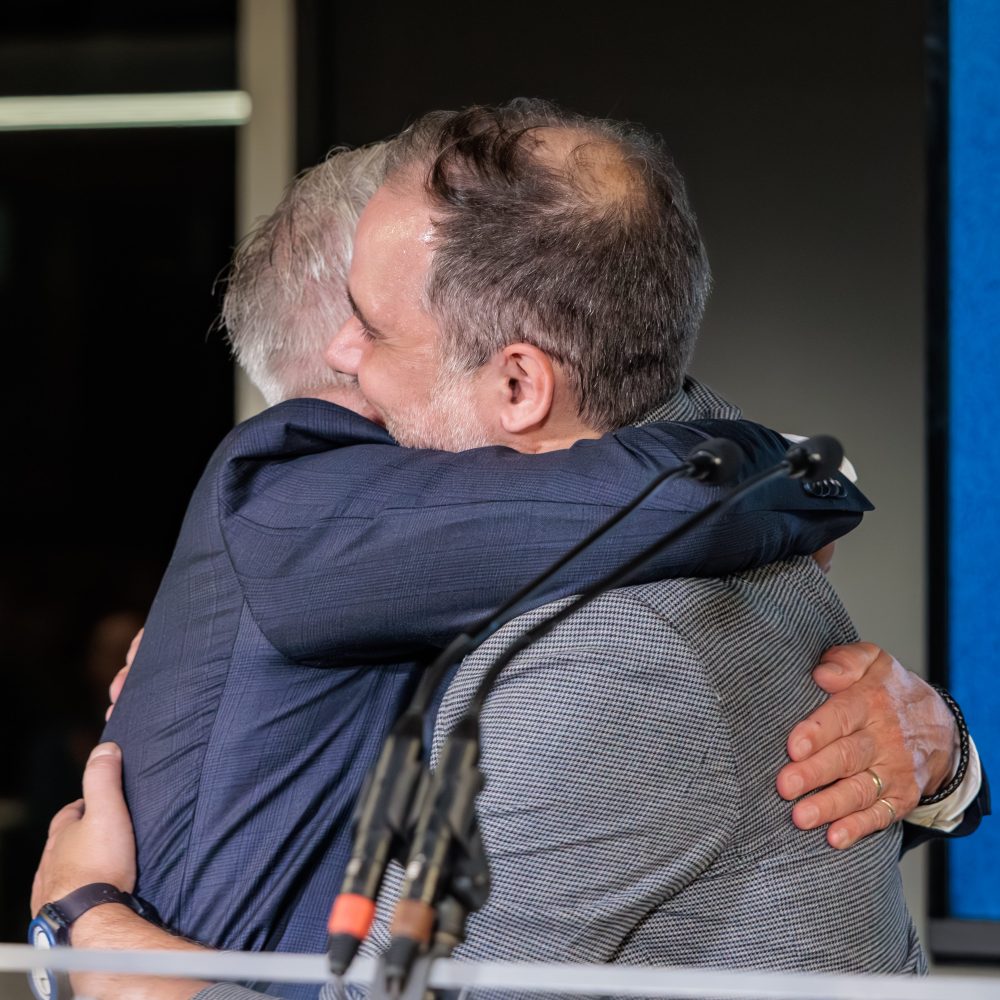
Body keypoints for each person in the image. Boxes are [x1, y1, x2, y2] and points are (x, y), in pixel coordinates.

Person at [32, 104, 985, 998]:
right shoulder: (691, 480)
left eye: (371, 329)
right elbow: (705, 842)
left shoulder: (601, 654)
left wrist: (78, 921)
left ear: (520, 384)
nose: (348, 364)